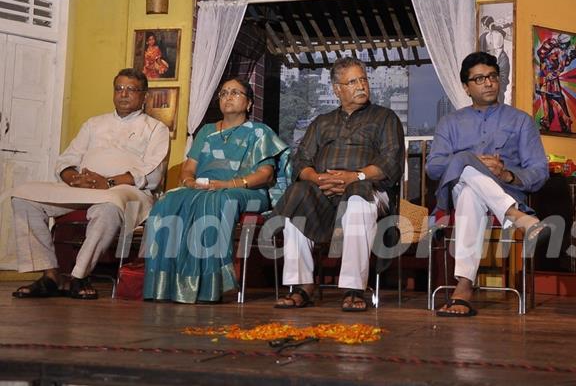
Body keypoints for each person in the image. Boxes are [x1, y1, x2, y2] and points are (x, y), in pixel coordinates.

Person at [10, 69, 169, 300]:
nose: (123, 94)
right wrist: (74, 178)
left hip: (126, 191)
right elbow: (66, 160)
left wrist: (109, 182)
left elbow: (152, 175)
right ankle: (51, 275)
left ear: (144, 96)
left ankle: (79, 276)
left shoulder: (155, 128)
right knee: (23, 197)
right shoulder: (94, 124)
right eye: (119, 89)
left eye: (131, 90)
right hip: (83, 188)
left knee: (108, 207)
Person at [272, 57, 404, 312]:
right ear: (337, 89)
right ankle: (301, 286)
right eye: (352, 81)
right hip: (324, 191)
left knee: (356, 200)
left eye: (363, 79)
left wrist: (353, 177)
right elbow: (301, 161)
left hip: (369, 188)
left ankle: (354, 289)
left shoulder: (385, 118)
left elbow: (390, 162)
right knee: (297, 195)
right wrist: (319, 179)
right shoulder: (321, 122)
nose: (361, 85)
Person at [142, 77, 290, 304]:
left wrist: (226, 185)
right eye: (223, 93)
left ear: (249, 103)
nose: (227, 97)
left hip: (246, 191)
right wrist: (189, 181)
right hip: (205, 188)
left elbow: (265, 175)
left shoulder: (259, 132)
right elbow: (188, 168)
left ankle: (210, 285)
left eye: (235, 93)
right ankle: (166, 284)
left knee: (218, 201)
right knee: (165, 203)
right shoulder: (206, 132)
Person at [426, 51, 549, 317]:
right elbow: (434, 167)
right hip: (454, 195)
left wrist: (506, 175)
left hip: (504, 191)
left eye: (492, 76)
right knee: (465, 166)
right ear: (466, 87)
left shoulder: (520, 121)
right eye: (480, 79)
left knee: (471, 191)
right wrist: (468, 161)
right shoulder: (450, 123)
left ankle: (463, 287)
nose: (489, 83)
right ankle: (516, 216)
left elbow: (539, 171)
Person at [479, 16, 511, 104]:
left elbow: (512, 38)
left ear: (485, 25)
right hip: (492, 63)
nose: (482, 27)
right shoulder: (483, 37)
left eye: (483, 25)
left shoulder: (499, 32)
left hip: (501, 61)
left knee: (501, 87)